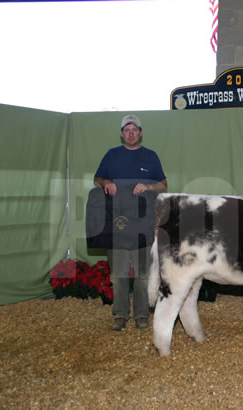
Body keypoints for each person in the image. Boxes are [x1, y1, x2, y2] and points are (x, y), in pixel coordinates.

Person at [94, 114, 167, 331]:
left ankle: (142, 315)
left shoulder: (150, 156)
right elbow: (97, 179)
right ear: (121, 133)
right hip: (117, 224)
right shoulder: (111, 155)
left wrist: (149, 187)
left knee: (143, 274)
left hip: (143, 224)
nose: (131, 133)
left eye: (135, 129)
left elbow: (163, 184)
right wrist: (106, 182)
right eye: (127, 130)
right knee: (119, 274)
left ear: (141, 133)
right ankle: (120, 314)